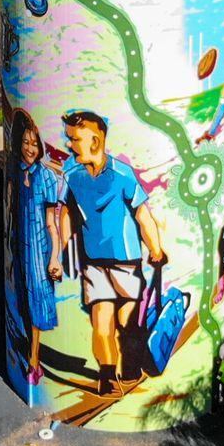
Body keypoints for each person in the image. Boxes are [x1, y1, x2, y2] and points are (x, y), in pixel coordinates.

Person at [61, 110, 165, 397]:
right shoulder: (73, 176)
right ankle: (107, 377)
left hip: (126, 261)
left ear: (95, 140)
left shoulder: (121, 175)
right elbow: (68, 213)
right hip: (94, 262)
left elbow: (143, 215)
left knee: (126, 322)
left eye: (75, 139)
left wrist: (155, 248)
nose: (70, 145)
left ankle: (130, 368)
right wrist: (62, 247)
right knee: (101, 321)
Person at [8, 108, 65, 388]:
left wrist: (54, 256)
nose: (31, 149)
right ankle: (31, 353)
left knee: (37, 298)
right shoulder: (16, 170)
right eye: (26, 142)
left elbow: (52, 222)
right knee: (23, 298)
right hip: (20, 243)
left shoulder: (44, 177)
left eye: (35, 143)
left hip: (39, 247)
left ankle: (34, 359)